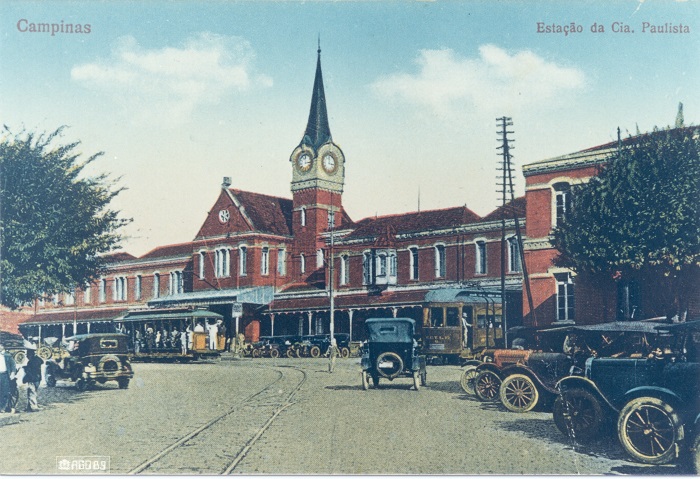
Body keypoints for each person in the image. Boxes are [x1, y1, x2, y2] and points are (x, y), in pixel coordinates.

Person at [24, 348, 43, 412]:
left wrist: (25, 368)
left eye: (27, 354)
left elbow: (29, 371)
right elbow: (42, 361)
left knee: (31, 393)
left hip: (32, 379)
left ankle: (33, 407)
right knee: (34, 392)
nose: (27, 356)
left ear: (30, 354)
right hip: (38, 378)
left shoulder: (30, 362)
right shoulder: (37, 360)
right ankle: (29, 406)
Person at [0, 343, 18, 413]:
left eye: (0, 346)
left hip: (5, 375)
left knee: (4, 391)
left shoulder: (8, 355)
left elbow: (13, 365)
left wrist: (13, 373)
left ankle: (2, 407)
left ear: (3, 347)